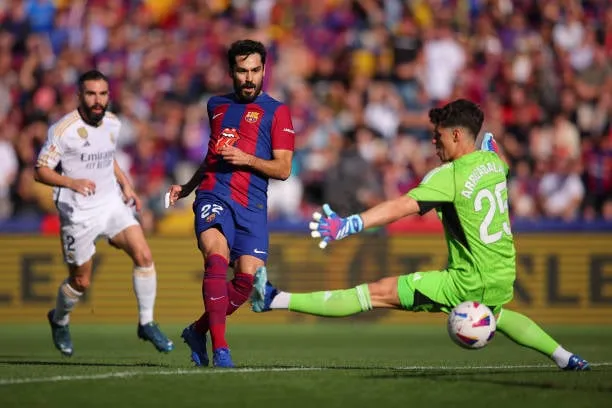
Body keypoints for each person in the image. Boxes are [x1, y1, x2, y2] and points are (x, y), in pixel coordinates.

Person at [250, 99, 590, 371]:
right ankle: (564, 356)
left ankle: (274, 299)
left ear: (457, 135)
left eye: (439, 135)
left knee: (375, 293)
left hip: (466, 281)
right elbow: (498, 159)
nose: (433, 141)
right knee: (496, 316)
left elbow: (401, 206)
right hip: (502, 275)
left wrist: (350, 224)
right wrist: (490, 147)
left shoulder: (449, 175)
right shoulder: (494, 163)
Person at [166, 39, 295, 368]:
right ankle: (221, 349)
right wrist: (188, 186)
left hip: (252, 205)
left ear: (264, 70)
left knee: (247, 281)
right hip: (214, 193)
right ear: (231, 72)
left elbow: (282, 169)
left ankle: (198, 330)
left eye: (255, 70)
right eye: (242, 71)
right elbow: (212, 156)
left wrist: (246, 159)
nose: (249, 77)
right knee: (217, 257)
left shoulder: (278, 111)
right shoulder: (216, 106)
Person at [34, 70, 174, 357]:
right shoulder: (63, 129)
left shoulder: (112, 123)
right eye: (91, 94)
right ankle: (59, 319)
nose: (97, 100)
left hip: (111, 203)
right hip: (78, 213)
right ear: (79, 96)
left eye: (102, 94)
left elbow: (107, 158)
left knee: (144, 255)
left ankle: (146, 323)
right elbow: (40, 171)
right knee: (80, 282)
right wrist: (71, 182)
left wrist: (127, 186)